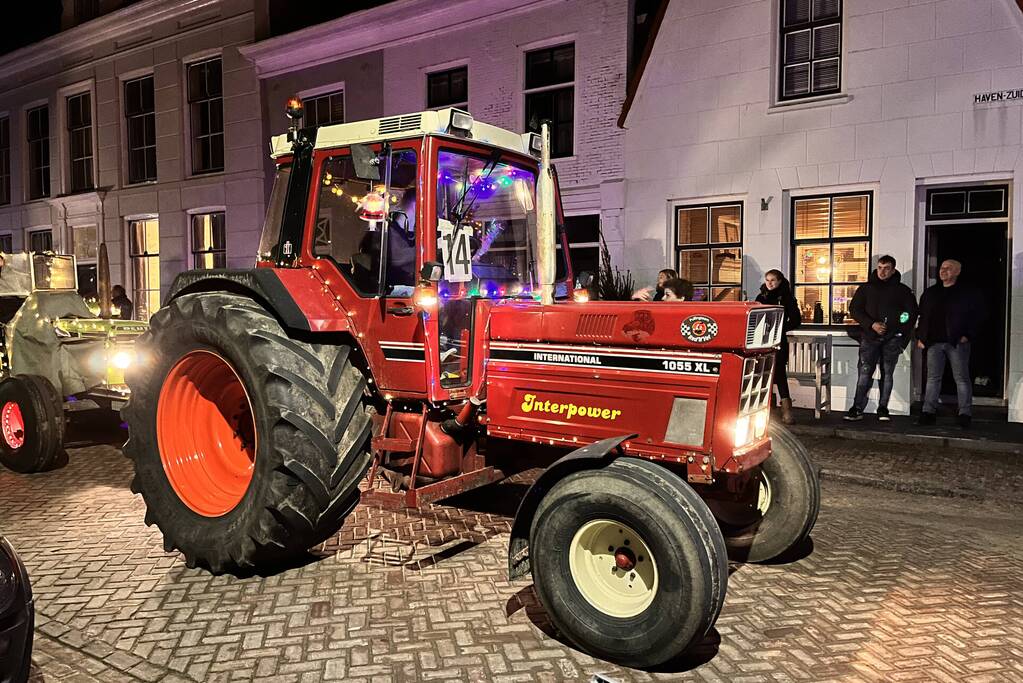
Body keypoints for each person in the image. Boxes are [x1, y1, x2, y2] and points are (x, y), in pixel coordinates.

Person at [845, 255, 918, 422]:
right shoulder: (866, 288)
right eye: (880, 267)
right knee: (864, 373)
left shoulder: (903, 290)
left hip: (892, 339)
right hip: (869, 337)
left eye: (886, 268)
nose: (882, 271)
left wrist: (898, 330)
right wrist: (871, 324)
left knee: (888, 373)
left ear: (893, 270)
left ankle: (883, 408)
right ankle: (857, 408)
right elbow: (855, 309)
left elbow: (910, 313)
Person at [915, 259, 986, 429]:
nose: (943, 271)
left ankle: (964, 413)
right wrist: (921, 337)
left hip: (956, 342)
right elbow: (922, 316)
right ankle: (928, 411)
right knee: (932, 378)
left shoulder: (967, 293)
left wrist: (967, 335)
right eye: (942, 268)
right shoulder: (930, 293)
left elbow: (979, 316)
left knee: (961, 378)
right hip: (933, 342)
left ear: (957, 272)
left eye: (948, 268)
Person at [755, 269, 801, 424]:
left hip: (778, 340)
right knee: (761, 372)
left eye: (773, 280)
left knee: (779, 373)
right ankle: (763, 408)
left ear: (780, 281)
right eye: (767, 280)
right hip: (761, 340)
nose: (769, 283)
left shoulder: (787, 297)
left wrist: (780, 328)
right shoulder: (761, 296)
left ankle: (787, 410)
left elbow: (796, 320)